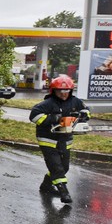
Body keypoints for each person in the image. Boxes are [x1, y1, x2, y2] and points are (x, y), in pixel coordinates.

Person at [29, 75, 90, 203]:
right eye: (60, 91)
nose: (63, 94)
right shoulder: (47, 104)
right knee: (57, 167)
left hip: (65, 139)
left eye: (66, 91)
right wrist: (55, 118)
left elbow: (86, 110)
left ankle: (46, 185)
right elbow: (34, 116)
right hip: (48, 139)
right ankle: (64, 193)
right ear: (53, 91)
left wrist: (84, 115)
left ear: (71, 90)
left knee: (64, 167)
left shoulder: (76, 101)